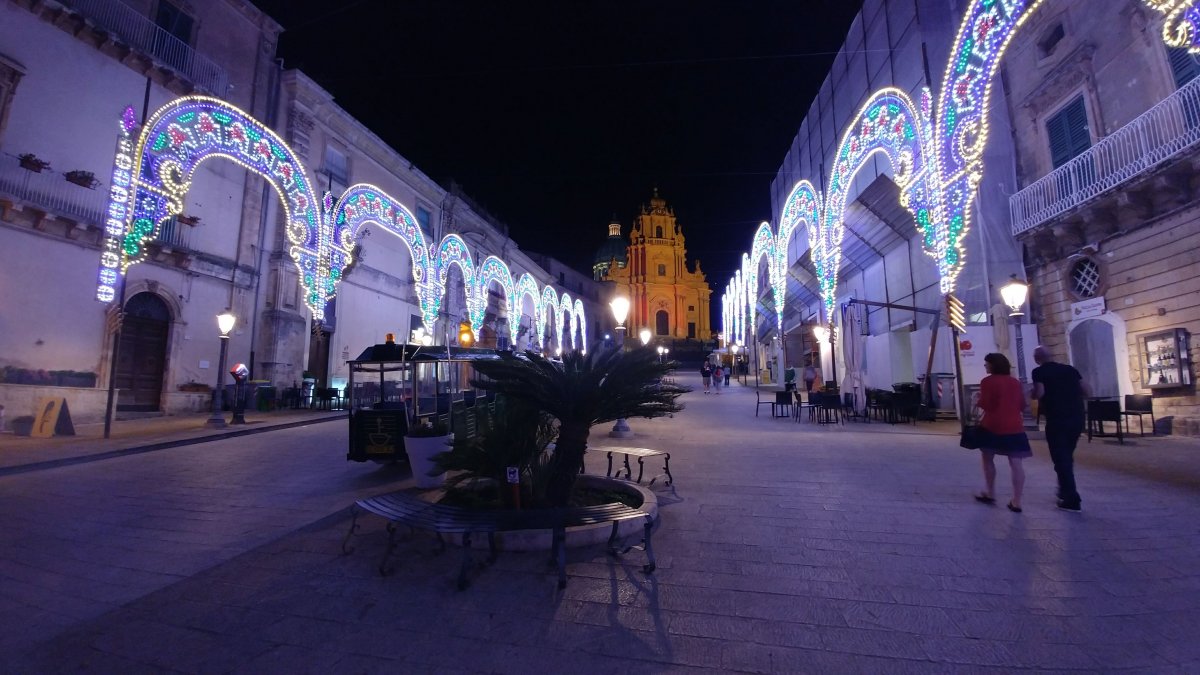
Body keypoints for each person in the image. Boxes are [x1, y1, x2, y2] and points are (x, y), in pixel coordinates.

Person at [1032, 345, 1088, 512]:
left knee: (1061, 457)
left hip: (1057, 418)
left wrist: (1033, 394)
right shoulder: (1070, 370)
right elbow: (1087, 390)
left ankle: (1071, 497)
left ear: (1037, 359)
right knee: (1067, 455)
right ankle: (1064, 490)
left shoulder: (1039, 372)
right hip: (1077, 417)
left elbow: (1040, 393)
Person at [974, 352, 1032, 513]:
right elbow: (1022, 405)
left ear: (993, 365)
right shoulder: (1015, 382)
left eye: (987, 363)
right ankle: (1017, 501)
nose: (985, 366)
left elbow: (987, 404)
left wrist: (977, 400)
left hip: (992, 425)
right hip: (1014, 426)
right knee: (1016, 463)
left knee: (987, 459)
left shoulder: (987, 382)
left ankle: (990, 491)